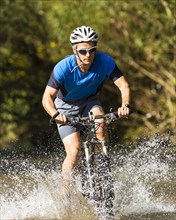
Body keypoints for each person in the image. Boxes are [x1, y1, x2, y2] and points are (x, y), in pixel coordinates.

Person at [42, 25, 130, 174]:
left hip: (90, 101)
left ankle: (100, 171)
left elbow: (123, 85)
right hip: (65, 107)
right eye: (83, 51)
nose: (88, 55)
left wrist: (125, 105)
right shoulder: (63, 67)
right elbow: (46, 98)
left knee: (100, 123)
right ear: (74, 50)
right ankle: (66, 190)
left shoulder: (105, 62)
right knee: (74, 151)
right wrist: (56, 115)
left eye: (92, 50)